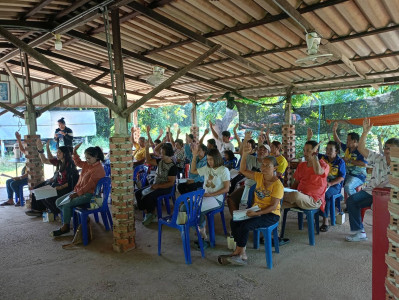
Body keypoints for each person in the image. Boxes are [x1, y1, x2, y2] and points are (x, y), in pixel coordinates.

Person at [218, 144, 283, 266]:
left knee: (245, 226)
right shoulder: (259, 176)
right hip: (256, 209)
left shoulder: (278, 185)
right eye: (262, 165)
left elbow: (273, 207)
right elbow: (242, 170)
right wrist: (245, 155)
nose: (264, 168)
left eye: (267, 166)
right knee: (234, 221)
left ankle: (240, 254)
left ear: (275, 168)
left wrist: (256, 213)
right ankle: (240, 252)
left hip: (270, 214)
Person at [345, 118, 399, 242]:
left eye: (391, 148)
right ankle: (359, 232)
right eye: (386, 148)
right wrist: (365, 132)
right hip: (371, 192)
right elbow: (361, 148)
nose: (386, 150)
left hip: (389, 196)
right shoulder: (378, 158)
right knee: (352, 201)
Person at [52, 144, 105, 236]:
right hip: (78, 191)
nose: (86, 160)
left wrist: (77, 194)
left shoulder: (98, 169)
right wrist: (74, 151)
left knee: (66, 205)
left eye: (88, 158)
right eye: (86, 158)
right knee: (58, 202)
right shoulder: (87, 164)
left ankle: (66, 226)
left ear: (96, 157)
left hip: (89, 195)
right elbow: (77, 162)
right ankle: (78, 218)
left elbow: (89, 186)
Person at [25, 140, 79, 217]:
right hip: (57, 184)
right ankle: (42, 210)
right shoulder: (59, 162)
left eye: (59, 152)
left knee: (46, 195)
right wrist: (40, 150)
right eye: (57, 152)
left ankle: (58, 213)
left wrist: (60, 187)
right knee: (39, 192)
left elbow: (72, 181)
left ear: (65, 154)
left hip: (66, 188)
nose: (57, 154)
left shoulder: (70, 165)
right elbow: (44, 160)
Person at [190, 146, 230, 248]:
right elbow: (193, 171)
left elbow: (226, 189)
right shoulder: (207, 168)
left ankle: (203, 236)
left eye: (211, 159)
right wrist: (194, 156)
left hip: (216, 199)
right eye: (208, 159)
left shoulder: (224, 170)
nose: (209, 162)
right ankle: (199, 228)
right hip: (205, 196)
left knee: (196, 209)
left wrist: (210, 195)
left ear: (217, 158)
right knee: (184, 207)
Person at [227, 131, 270, 216]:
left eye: (265, 150)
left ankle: (247, 217)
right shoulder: (251, 158)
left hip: (261, 188)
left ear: (269, 153)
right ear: (257, 150)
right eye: (260, 149)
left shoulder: (269, 164)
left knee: (253, 204)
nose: (262, 151)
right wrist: (245, 140)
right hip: (248, 185)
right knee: (230, 199)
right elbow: (243, 154)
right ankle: (237, 219)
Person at [135, 141, 177, 226]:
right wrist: (146, 148)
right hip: (156, 185)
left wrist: (158, 186)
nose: (160, 155)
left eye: (162, 154)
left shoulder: (172, 166)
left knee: (148, 196)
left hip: (165, 188)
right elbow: (148, 160)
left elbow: (171, 183)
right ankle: (148, 212)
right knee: (138, 193)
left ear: (168, 155)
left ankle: (150, 214)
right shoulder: (161, 161)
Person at [283, 140, 329, 213]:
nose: (305, 153)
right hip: (300, 197)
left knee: (295, 195)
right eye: (304, 151)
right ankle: (274, 224)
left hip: (314, 200)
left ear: (315, 152)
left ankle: (284, 197)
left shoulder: (324, 165)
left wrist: (314, 155)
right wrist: (290, 192)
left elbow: (318, 171)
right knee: (275, 203)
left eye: (308, 151)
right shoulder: (302, 165)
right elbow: (296, 182)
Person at [333, 122, 367, 196]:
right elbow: (338, 142)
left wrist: (348, 160)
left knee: (348, 187)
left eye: (348, 140)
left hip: (359, 176)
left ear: (354, 141)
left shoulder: (361, 151)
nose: (346, 141)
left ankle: (356, 203)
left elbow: (364, 163)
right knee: (333, 180)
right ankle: (338, 200)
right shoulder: (347, 148)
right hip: (348, 174)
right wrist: (334, 131)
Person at [1, 132, 28, 206]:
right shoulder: (28, 153)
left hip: (29, 178)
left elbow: (30, 173)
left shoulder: (35, 157)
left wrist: (20, 178)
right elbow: (22, 149)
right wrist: (18, 139)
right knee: (8, 181)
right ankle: (10, 200)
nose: (25, 147)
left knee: (13, 183)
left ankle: (21, 199)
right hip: (24, 176)